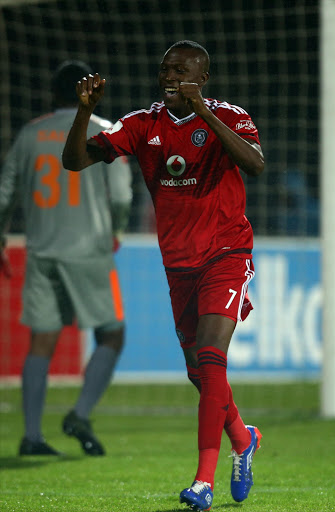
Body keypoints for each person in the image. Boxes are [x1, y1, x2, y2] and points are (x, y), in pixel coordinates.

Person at [62, 41, 264, 510]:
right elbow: (74, 162)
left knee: (212, 359)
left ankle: (202, 482)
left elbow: (255, 164)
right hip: (179, 266)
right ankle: (243, 437)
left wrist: (204, 115)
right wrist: (83, 111)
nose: (169, 76)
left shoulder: (230, 117)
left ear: (203, 78)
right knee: (199, 372)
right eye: (165, 69)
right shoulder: (141, 124)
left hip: (227, 253)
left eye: (181, 70)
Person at [0, 60, 132, 457]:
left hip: (41, 250)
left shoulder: (29, 134)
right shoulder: (106, 131)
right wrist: (116, 232)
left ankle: (32, 436)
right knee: (112, 333)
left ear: (51, 95)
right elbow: (123, 196)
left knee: (41, 341)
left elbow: (4, 193)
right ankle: (80, 414)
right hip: (90, 249)